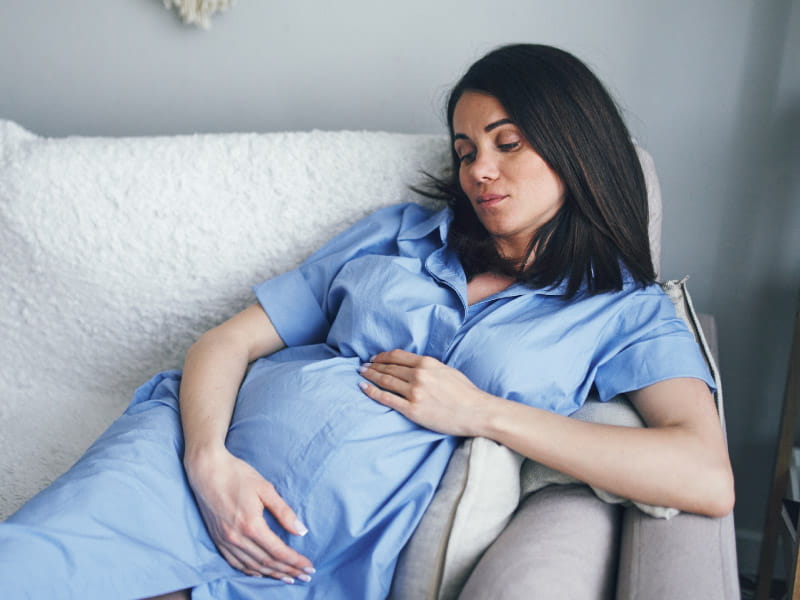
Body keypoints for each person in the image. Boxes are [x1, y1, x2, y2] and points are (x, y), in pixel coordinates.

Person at [0, 43, 734, 600]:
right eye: (466, 148)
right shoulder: (400, 234)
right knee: (28, 570)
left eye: (508, 142)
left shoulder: (626, 311)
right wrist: (208, 463)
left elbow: (704, 476)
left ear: (577, 147)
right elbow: (228, 342)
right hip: (182, 466)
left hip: (315, 553)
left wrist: (481, 412)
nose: (479, 169)